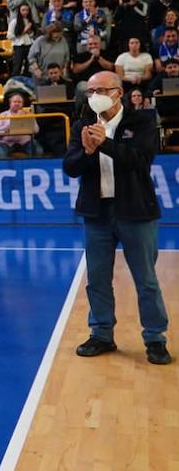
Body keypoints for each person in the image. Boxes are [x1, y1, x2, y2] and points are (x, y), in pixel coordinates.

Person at [63, 71, 170, 365]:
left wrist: (105, 144)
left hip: (135, 212)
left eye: (99, 89)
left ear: (117, 93)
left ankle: (155, 337)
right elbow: (70, 167)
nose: (93, 95)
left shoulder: (142, 120)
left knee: (146, 279)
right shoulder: (82, 124)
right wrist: (86, 151)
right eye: (89, 91)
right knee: (97, 278)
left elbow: (141, 161)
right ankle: (101, 333)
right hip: (96, 214)